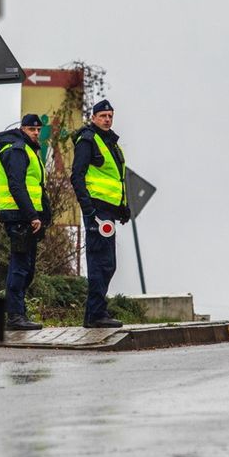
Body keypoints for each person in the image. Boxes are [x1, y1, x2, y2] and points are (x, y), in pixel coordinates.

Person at [70, 98, 130, 328]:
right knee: (100, 262)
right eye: (103, 116)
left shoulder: (112, 143)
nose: (107, 120)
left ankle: (96, 312)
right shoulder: (88, 140)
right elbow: (77, 176)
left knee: (108, 263)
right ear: (93, 117)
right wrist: (89, 208)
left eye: (110, 116)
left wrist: (122, 208)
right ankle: (95, 315)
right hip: (97, 211)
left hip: (108, 212)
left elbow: (115, 179)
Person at [0, 113, 51, 330]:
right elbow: (17, 186)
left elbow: (36, 187)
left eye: (38, 130)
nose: (36, 133)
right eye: (31, 129)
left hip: (25, 217)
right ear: (22, 129)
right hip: (19, 217)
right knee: (20, 267)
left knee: (26, 267)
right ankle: (15, 317)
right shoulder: (17, 150)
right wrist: (32, 216)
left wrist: (42, 215)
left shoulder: (28, 150)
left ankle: (18, 314)